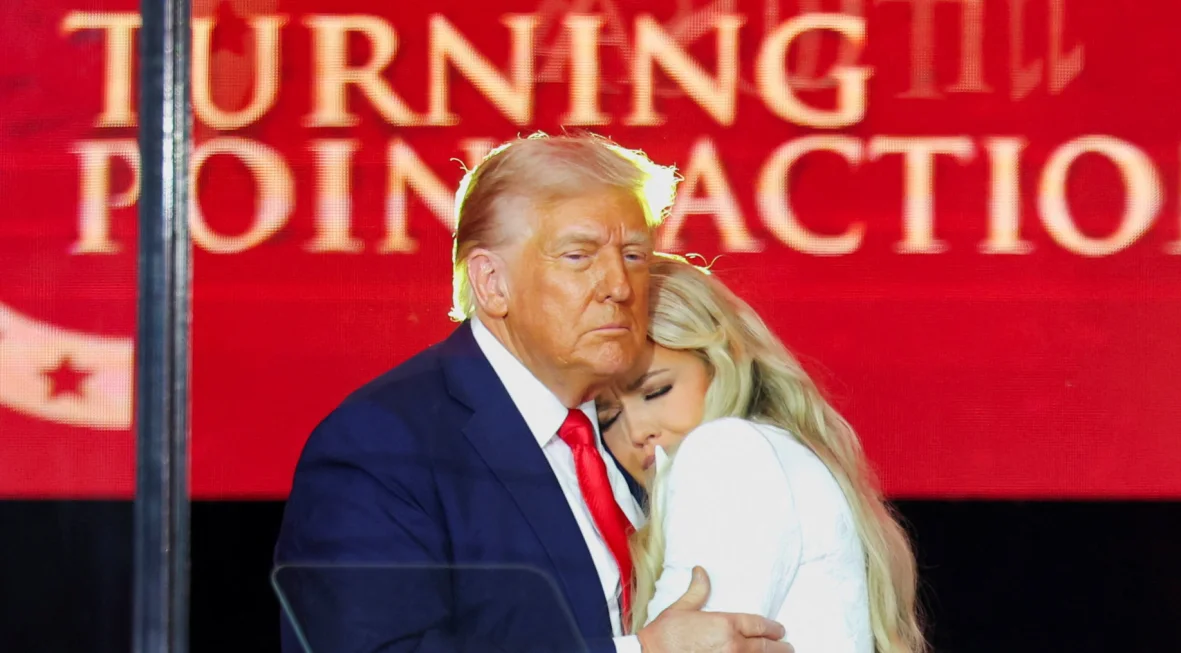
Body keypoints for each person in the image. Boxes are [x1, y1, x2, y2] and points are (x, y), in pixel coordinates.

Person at [273, 134, 792, 653]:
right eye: (578, 255)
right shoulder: (380, 446)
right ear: (492, 282)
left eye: (634, 254)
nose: (619, 285)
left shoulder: (642, 433)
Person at [596, 256, 927, 653]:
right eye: (609, 417)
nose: (636, 431)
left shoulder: (726, 454)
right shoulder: (775, 452)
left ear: (721, 363)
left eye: (656, 392)